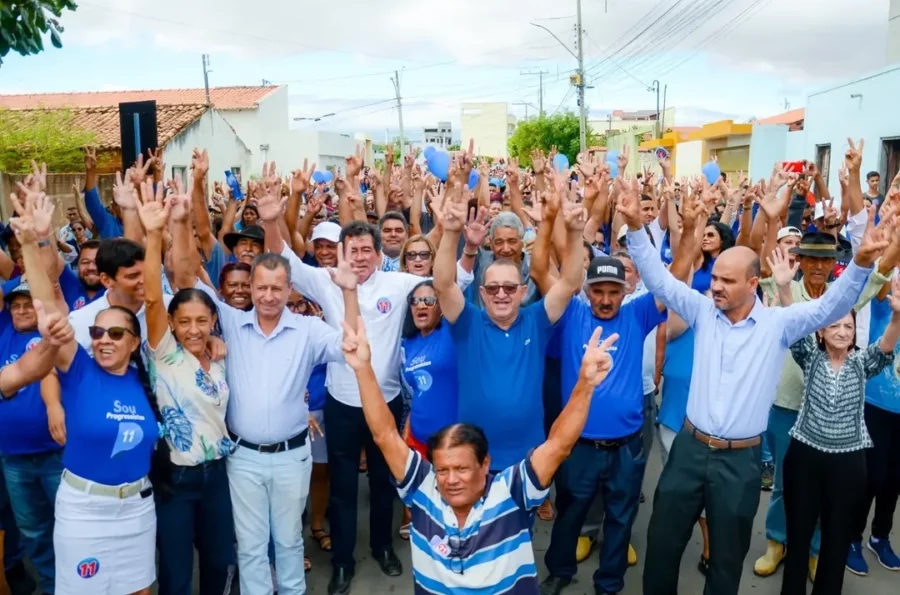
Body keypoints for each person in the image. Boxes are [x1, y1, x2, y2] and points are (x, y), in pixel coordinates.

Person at [626, 176, 887, 594]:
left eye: (727, 281)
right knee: (662, 546)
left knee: (726, 561)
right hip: (689, 450)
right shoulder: (700, 310)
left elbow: (832, 305)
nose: (715, 286)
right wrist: (635, 229)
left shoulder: (778, 325)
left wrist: (859, 265)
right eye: (716, 278)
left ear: (752, 285)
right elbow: (659, 281)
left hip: (740, 462)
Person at [265, 194, 470, 594]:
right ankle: (342, 561)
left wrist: (459, 236)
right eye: (351, 250)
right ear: (339, 253)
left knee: (384, 483)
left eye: (365, 250)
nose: (358, 257)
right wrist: (273, 221)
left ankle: (382, 547)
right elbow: (282, 255)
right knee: (343, 487)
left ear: (379, 254)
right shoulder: (325, 279)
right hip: (341, 402)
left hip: (387, 402)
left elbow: (450, 282)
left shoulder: (400, 283)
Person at [341, 313, 618, 593]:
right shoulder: (422, 488)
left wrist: (586, 385)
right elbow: (385, 435)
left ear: (485, 464)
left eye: (462, 469)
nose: (450, 480)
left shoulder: (511, 493)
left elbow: (559, 445)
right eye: (443, 469)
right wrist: (363, 369)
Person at [182, 181, 351, 595]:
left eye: (278, 288)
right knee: (253, 548)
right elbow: (186, 274)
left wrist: (347, 290)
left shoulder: (310, 330)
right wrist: (177, 220)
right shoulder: (230, 323)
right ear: (251, 288)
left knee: (290, 541)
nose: (269, 296)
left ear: (290, 288)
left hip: (293, 456)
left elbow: (352, 346)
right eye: (261, 288)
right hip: (243, 458)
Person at [433, 178, 585, 474]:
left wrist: (576, 232)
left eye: (508, 287)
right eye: (492, 288)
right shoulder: (468, 323)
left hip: (526, 460)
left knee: (519, 522)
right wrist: (452, 233)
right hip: (474, 459)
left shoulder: (536, 321)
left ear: (521, 290)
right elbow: (442, 284)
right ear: (481, 293)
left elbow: (569, 283)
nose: (501, 293)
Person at [133, 184, 236, 595]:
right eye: (185, 321)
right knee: (176, 572)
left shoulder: (221, 355)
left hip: (218, 477)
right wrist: (155, 233)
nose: (194, 329)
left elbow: (190, 270)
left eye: (202, 320)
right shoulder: (164, 354)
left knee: (219, 562)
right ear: (173, 325)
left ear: (213, 319)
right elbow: (156, 301)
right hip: (176, 478)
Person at [776, 270, 900, 595]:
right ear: (821, 332)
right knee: (799, 536)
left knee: (834, 539)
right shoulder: (810, 357)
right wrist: (784, 286)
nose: (842, 331)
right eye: (834, 325)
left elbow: (886, 346)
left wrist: (898, 316)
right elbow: (792, 322)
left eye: (848, 326)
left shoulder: (862, 364)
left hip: (848, 465)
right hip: (804, 459)